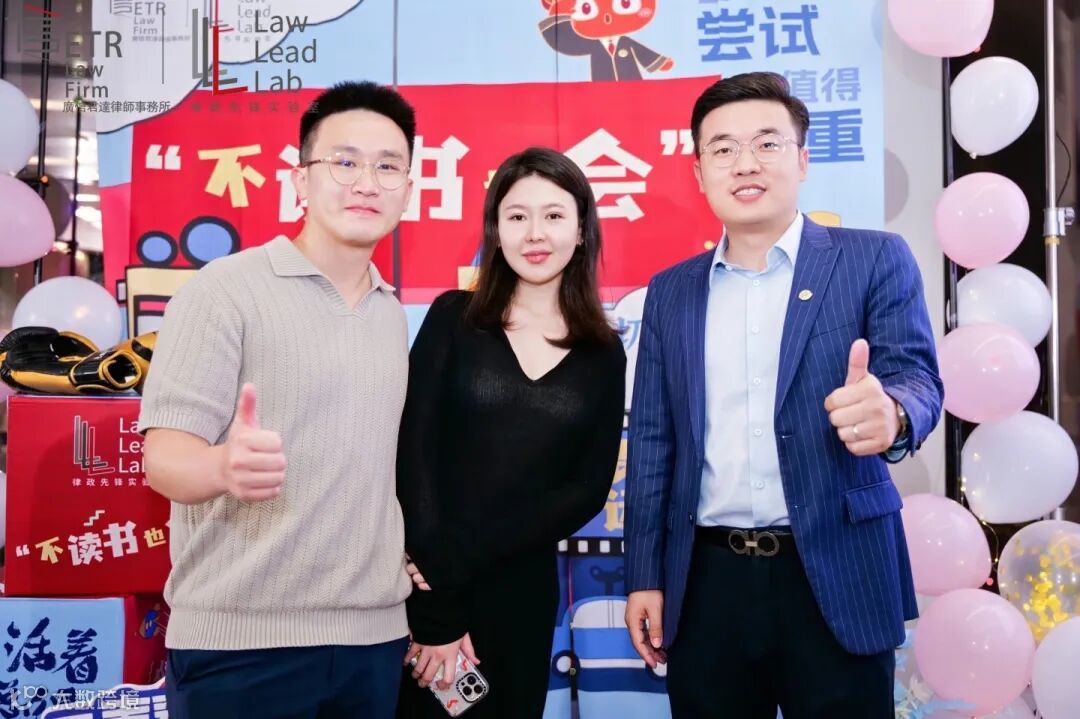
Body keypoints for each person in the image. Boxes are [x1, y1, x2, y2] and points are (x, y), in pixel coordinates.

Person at [623, 72, 943, 718]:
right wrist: (644, 576)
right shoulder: (671, 291)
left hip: (835, 568)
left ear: (801, 159)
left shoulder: (873, 259)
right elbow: (654, 441)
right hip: (706, 580)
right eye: (723, 148)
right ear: (699, 171)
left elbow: (916, 376)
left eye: (767, 143)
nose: (745, 163)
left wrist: (892, 413)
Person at [139, 80, 418, 719]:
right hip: (240, 648)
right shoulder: (223, 290)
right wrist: (220, 466)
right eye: (344, 162)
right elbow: (164, 459)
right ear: (300, 180)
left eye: (387, 167)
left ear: (408, 189)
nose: (366, 183)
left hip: (372, 641)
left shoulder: (389, 312)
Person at [395, 147, 626, 719]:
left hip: (520, 591)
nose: (535, 233)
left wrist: (462, 556)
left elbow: (585, 489)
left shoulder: (603, 351)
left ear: (581, 230)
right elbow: (412, 454)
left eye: (554, 215)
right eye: (517, 216)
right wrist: (438, 603)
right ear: (496, 231)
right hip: (424, 586)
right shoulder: (454, 318)